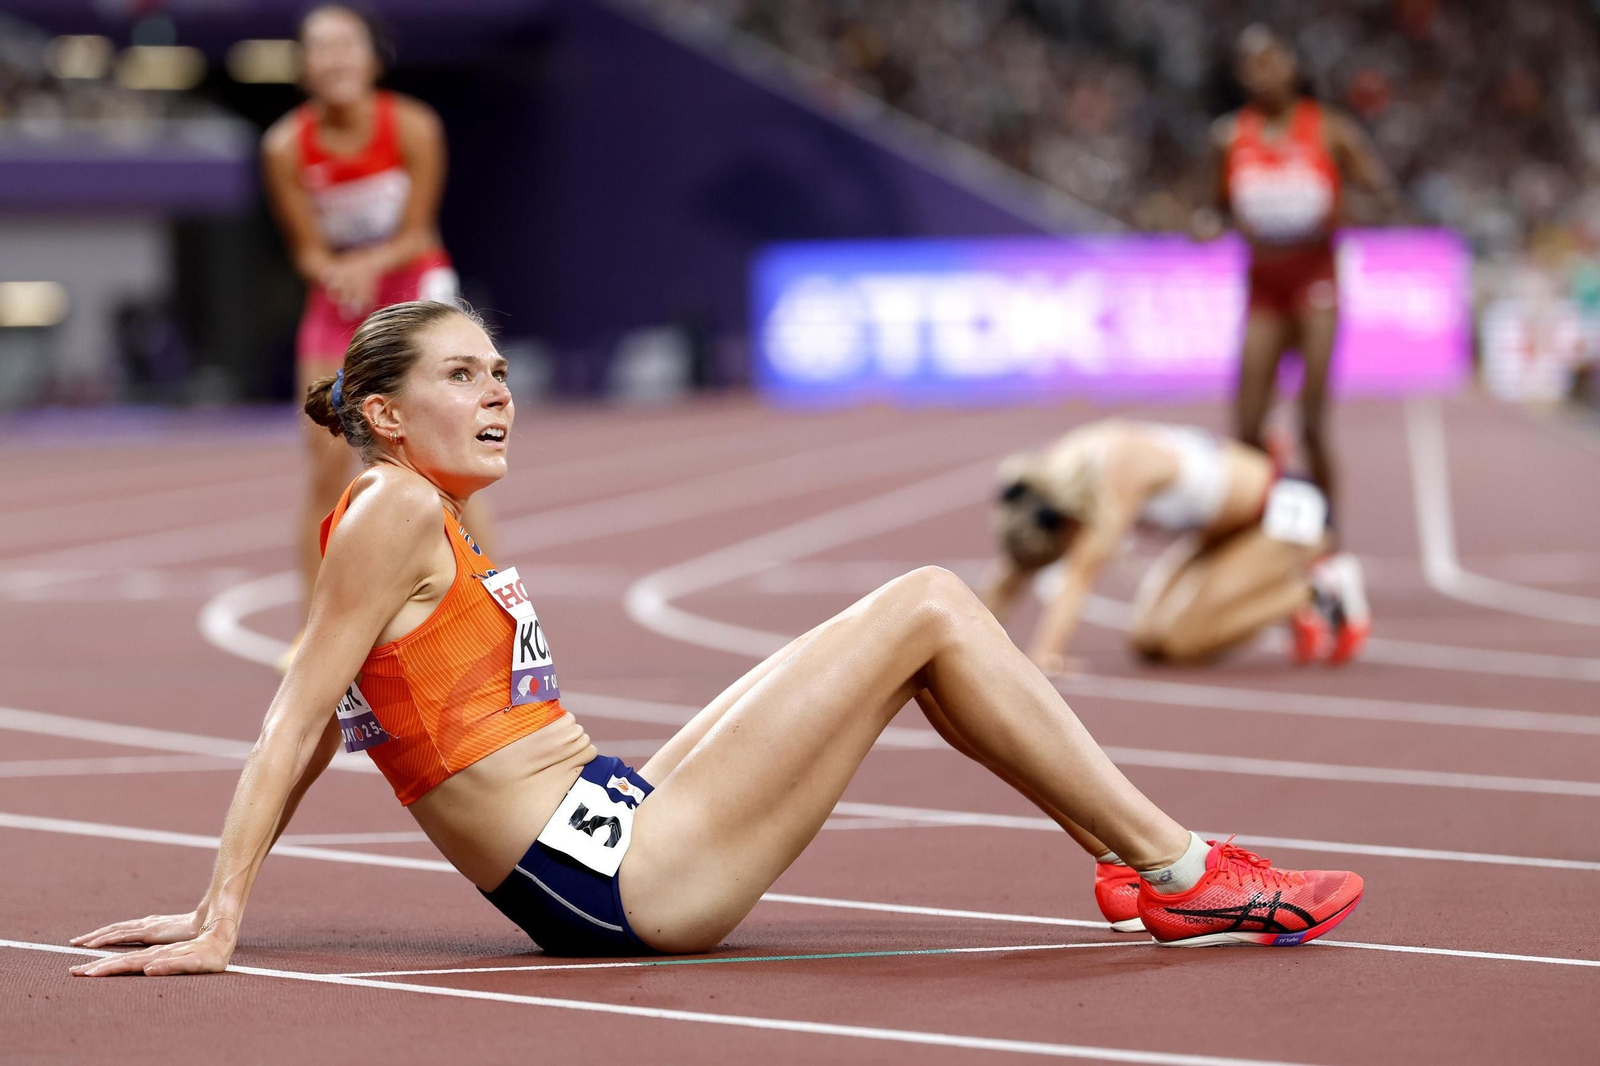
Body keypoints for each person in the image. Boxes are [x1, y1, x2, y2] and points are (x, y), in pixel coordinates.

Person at [68, 302, 1364, 976]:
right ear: (385, 413)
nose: (499, 391)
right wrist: (221, 911)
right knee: (925, 600)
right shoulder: (395, 507)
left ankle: (1140, 862)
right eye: (464, 375)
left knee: (921, 626)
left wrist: (224, 896)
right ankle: (1180, 864)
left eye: (500, 369)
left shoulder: (412, 512)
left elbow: (332, 716)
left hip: (612, 814)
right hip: (623, 881)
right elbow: (299, 706)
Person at [260, 3, 490, 662]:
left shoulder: (413, 126)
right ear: (304, 67)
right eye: (320, 48)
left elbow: (417, 230)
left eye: (346, 46)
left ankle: (487, 602)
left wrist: (365, 265)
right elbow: (304, 248)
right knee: (324, 458)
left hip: (411, 282)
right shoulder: (285, 146)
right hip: (339, 295)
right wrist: (335, 271)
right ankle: (315, 628)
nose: (334, 60)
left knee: (451, 456)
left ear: (371, 58)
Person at [984, 419, 1369, 677]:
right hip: (1223, 532)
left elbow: (1081, 572)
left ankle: (1318, 588)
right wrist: (970, 645)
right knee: (1148, 642)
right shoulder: (1053, 480)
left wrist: (1045, 655)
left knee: (1183, 642)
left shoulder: (1117, 470)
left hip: (1283, 517)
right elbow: (1011, 572)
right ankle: (1281, 593)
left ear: (1064, 521)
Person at [1200, 25, 1398, 515]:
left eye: (1270, 60)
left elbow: (1384, 197)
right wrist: (1202, 225)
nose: (1261, 72)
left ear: (1292, 65)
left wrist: (1342, 210)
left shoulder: (1330, 129)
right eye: (1250, 64)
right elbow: (1210, 209)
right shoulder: (1227, 138)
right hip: (1263, 289)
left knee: (1311, 422)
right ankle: (1257, 528)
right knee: (1246, 428)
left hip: (1316, 284)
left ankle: (1327, 535)